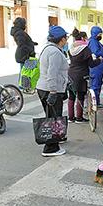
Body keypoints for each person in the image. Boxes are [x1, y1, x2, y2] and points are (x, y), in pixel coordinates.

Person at [36, 26, 69, 157]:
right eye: (65, 38)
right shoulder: (55, 52)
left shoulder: (48, 48)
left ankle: (57, 138)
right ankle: (50, 148)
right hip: (50, 89)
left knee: (52, 116)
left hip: (44, 87)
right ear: (61, 39)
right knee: (53, 119)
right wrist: (53, 92)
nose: (66, 40)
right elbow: (52, 73)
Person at [67, 28, 101, 123]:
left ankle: (70, 118)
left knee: (71, 96)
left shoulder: (71, 48)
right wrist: (99, 60)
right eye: (86, 38)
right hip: (81, 74)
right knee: (80, 96)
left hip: (71, 73)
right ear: (83, 38)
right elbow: (91, 64)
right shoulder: (86, 49)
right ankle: (79, 117)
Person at [10, 17, 37, 84]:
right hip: (24, 55)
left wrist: (32, 43)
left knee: (24, 70)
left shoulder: (19, 32)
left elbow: (24, 42)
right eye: (24, 24)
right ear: (21, 24)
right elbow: (22, 44)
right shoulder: (20, 33)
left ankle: (24, 84)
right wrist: (30, 50)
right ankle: (22, 85)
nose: (25, 25)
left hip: (24, 54)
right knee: (25, 71)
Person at [88, 26, 103, 107]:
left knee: (97, 85)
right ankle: (94, 104)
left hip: (98, 68)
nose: (100, 36)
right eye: (99, 34)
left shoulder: (95, 41)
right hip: (96, 68)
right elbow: (97, 52)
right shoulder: (93, 42)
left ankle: (96, 103)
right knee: (95, 86)